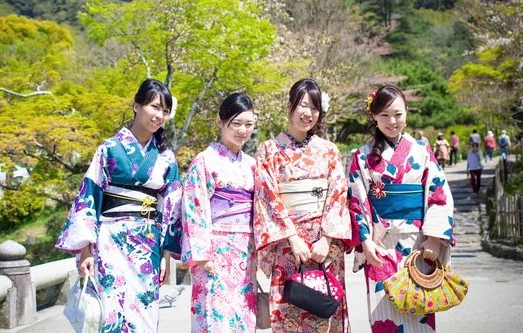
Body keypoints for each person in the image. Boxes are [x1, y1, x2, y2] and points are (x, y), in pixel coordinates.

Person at [55, 79, 182, 333]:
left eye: (165, 111)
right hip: (108, 238)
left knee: (145, 311)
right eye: (154, 107)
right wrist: (85, 251)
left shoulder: (166, 157)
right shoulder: (109, 149)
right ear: (136, 105)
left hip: (148, 243)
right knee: (110, 311)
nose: (159, 115)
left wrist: (167, 256)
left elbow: (172, 208)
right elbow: (89, 195)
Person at [348, 85, 454, 332]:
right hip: (380, 246)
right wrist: (365, 242)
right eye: (384, 115)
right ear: (374, 116)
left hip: (419, 244)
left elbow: (439, 195)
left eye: (397, 114)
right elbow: (356, 203)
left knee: (420, 313)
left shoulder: (421, 150)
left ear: (407, 112)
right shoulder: (362, 157)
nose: (392, 121)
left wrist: (434, 239)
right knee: (383, 315)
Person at [254, 78, 351, 333]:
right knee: (288, 313)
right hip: (288, 245)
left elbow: (338, 195)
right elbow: (268, 198)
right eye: (302, 105)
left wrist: (327, 240)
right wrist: (293, 238)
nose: (308, 113)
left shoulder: (329, 151)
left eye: (314, 108)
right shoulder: (269, 150)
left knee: (325, 312)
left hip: (323, 248)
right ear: (289, 106)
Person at [181, 93, 258, 332]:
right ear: (220, 122)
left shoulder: (252, 165)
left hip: (246, 253)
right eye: (236, 123)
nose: (242, 130)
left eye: (248, 124)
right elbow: (195, 208)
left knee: (243, 318)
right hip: (214, 253)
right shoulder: (204, 161)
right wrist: (202, 255)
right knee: (214, 318)